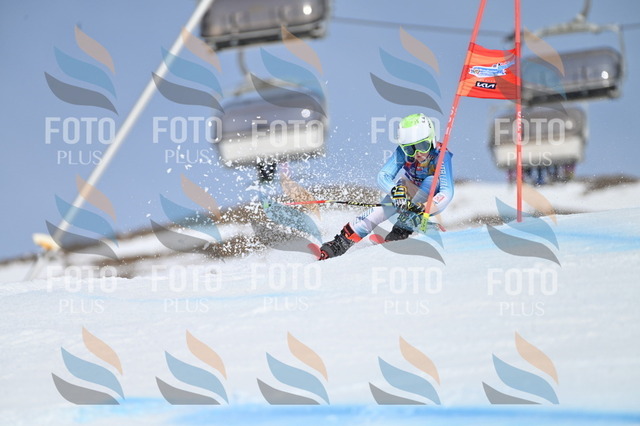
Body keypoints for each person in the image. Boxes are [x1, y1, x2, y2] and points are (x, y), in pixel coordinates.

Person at [319, 113, 454, 260]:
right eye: (410, 149)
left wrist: (425, 207)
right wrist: (395, 191)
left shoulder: (441, 155)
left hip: (430, 199)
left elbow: (447, 192)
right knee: (385, 206)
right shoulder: (402, 153)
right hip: (409, 191)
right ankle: (341, 242)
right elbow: (383, 175)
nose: (417, 153)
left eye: (422, 146)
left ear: (431, 140)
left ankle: (403, 227)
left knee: (431, 180)